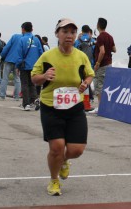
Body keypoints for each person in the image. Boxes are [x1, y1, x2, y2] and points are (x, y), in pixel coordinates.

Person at [31, 18, 94, 196]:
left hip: (75, 107)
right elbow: (34, 78)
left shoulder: (81, 56)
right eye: (64, 31)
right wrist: (44, 76)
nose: (69, 35)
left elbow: (89, 74)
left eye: (72, 32)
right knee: (57, 147)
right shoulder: (47, 56)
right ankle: (54, 181)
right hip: (51, 106)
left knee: (76, 150)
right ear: (57, 34)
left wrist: (85, 83)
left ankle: (64, 160)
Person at [15, 22, 43, 111]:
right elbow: (41, 53)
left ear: (23, 29)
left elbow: (19, 55)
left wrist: (17, 66)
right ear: (32, 29)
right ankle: (35, 101)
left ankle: (26, 104)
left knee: (25, 84)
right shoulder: (36, 40)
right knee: (32, 84)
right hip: (35, 66)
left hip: (24, 66)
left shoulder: (22, 40)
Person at [92, 17, 116, 113]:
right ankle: (105, 106)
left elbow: (102, 51)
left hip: (102, 65)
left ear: (98, 25)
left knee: (99, 85)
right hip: (109, 64)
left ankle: (100, 107)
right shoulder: (110, 36)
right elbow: (114, 49)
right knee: (106, 86)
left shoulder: (100, 37)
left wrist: (97, 63)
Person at [0, 24, 25, 100]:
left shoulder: (15, 36)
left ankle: (2, 95)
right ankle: (16, 96)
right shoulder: (27, 39)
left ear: (22, 29)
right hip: (19, 62)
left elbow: (7, 47)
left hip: (9, 59)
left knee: (5, 78)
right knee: (17, 79)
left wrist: (1, 55)